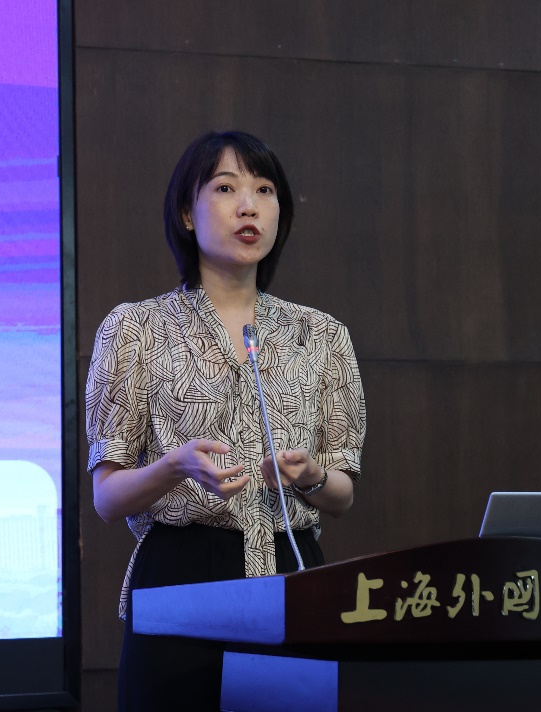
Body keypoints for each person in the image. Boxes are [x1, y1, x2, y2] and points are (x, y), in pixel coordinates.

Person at [85, 130, 367, 710]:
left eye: (264, 190)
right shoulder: (136, 330)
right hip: (181, 578)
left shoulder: (322, 336)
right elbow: (108, 499)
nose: (248, 206)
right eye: (225, 188)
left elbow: (341, 495)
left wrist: (311, 475)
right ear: (187, 214)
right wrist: (174, 466)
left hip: (291, 575)